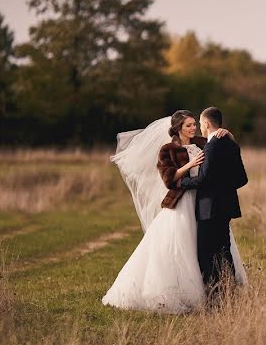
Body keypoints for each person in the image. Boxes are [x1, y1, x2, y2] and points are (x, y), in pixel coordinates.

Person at [102, 110, 247, 313]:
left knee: (208, 247)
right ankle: (177, 293)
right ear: (178, 128)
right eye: (188, 125)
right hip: (182, 201)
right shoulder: (167, 150)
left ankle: (216, 292)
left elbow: (216, 143)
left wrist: (227, 133)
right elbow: (169, 180)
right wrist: (189, 165)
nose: (193, 128)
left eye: (194, 124)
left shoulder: (201, 143)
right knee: (179, 247)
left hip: (203, 202)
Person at [179, 106, 249, 295]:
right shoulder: (231, 144)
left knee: (206, 254)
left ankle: (212, 297)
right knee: (224, 252)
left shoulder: (212, 146)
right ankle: (228, 292)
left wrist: (182, 182)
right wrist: (223, 185)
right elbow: (242, 179)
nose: (200, 128)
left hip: (209, 208)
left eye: (200, 124)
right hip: (226, 207)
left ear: (207, 123)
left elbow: (205, 179)